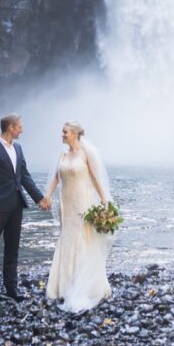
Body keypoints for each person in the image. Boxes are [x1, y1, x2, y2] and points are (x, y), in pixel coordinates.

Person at [0, 114, 48, 307]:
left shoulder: (18, 148)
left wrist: (39, 198)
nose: (22, 130)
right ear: (10, 128)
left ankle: (11, 289)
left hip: (16, 206)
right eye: (20, 127)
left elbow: (24, 176)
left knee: (12, 249)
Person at [41, 121, 114, 312]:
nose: (62, 135)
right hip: (67, 206)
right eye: (62, 131)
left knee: (83, 241)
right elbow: (56, 178)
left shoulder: (86, 153)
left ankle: (87, 285)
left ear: (74, 133)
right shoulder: (62, 155)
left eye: (65, 132)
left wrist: (105, 202)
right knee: (66, 239)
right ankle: (64, 286)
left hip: (82, 205)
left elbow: (96, 178)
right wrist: (47, 195)